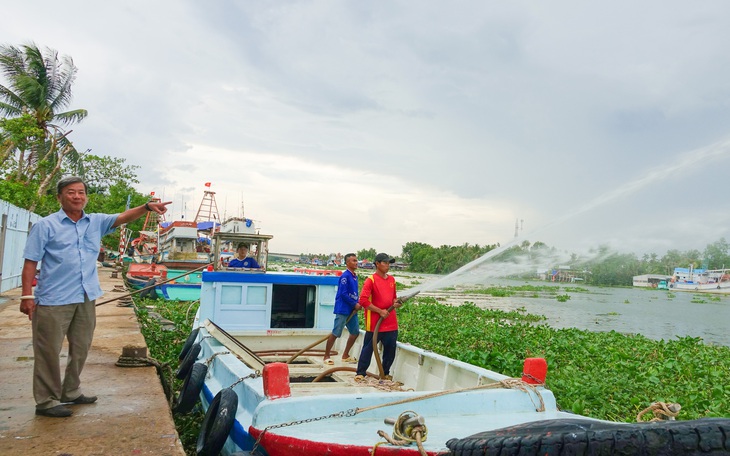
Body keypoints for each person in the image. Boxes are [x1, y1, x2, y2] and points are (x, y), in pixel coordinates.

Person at [20, 176, 170, 418]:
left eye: (81, 192)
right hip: (53, 299)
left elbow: (123, 217)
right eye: (71, 192)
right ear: (59, 197)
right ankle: (47, 400)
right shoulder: (45, 226)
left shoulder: (96, 222)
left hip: (86, 295)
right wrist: (27, 295)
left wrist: (145, 207)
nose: (77, 196)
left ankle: (71, 391)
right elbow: (30, 262)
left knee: (81, 347)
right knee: (48, 350)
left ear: (86, 197)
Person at [355, 253, 402, 382]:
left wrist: (396, 303)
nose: (388, 265)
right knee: (368, 348)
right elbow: (363, 301)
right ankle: (360, 373)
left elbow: (393, 298)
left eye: (389, 263)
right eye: (385, 263)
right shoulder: (371, 280)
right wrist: (380, 311)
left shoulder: (392, 280)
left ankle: (384, 373)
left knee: (390, 350)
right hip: (375, 323)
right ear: (377, 264)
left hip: (391, 321)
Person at [323, 253, 361, 365]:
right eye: (353, 260)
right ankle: (326, 356)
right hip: (343, 309)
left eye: (356, 260)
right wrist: (354, 304)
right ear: (348, 263)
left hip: (352, 310)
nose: (356, 262)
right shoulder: (345, 276)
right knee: (336, 332)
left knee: (355, 332)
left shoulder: (355, 276)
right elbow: (343, 294)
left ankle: (345, 355)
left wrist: (357, 303)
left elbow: (354, 293)